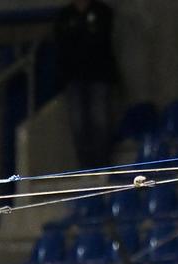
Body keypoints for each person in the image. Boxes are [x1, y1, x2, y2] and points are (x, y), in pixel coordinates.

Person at [55, 0, 119, 168]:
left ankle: (103, 165)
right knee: (78, 125)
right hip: (74, 78)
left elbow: (100, 40)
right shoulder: (65, 15)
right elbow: (62, 44)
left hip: (99, 76)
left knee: (101, 122)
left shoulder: (102, 11)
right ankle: (86, 167)